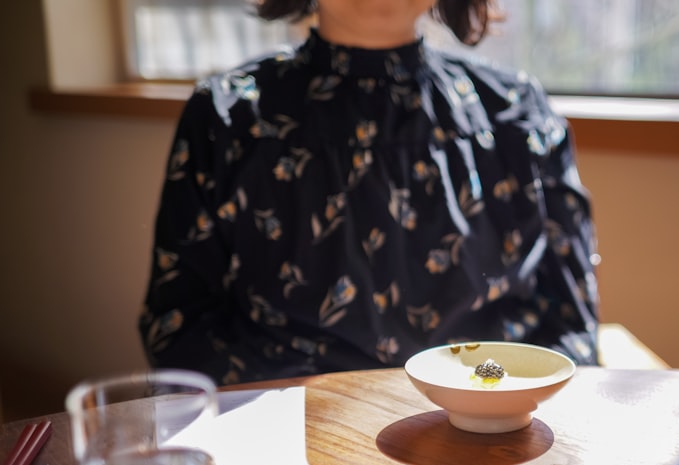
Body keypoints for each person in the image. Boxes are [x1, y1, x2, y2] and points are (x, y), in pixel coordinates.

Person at [139, 0, 601, 386]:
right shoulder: (226, 118)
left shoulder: (516, 114)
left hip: (488, 428)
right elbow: (180, 329)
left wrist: (493, 404)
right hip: (294, 441)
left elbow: (570, 327)